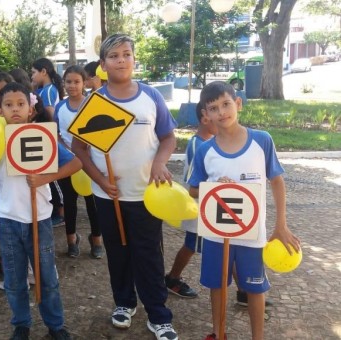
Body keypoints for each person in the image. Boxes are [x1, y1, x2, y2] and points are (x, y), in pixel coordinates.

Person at [71, 34, 179, 340]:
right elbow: (79, 150)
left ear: (134, 59)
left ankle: (158, 315)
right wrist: (101, 180)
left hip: (147, 196)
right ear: (103, 65)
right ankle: (124, 302)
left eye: (127, 54)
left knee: (149, 255)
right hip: (109, 197)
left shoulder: (151, 97)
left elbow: (169, 137)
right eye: (114, 56)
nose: (121, 60)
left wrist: (160, 162)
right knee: (118, 252)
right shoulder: (96, 102)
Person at [188, 81, 301, 340]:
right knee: (217, 286)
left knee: (255, 287)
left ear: (238, 104)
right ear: (206, 114)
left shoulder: (261, 140)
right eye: (213, 108)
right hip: (217, 234)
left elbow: (277, 181)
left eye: (226, 104)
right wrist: (213, 187)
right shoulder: (205, 150)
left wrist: (280, 225)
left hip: (252, 234)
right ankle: (218, 333)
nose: (222, 112)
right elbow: (193, 190)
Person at [0, 81, 80, 340]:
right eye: (8, 105)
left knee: (47, 277)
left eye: (20, 104)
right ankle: (21, 324)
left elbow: (75, 163)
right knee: (15, 280)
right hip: (7, 219)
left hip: (39, 218)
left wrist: (46, 178)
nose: (14, 110)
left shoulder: (43, 136)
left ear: (30, 109)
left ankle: (56, 325)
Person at [164, 102, 216, 298]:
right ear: (204, 118)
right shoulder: (198, 145)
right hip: (199, 206)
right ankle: (172, 278)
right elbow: (194, 181)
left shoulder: (210, 142)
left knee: (199, 245)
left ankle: (244, 290)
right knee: (191, 245)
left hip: (209, 203)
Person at [54, 65, 103, 259]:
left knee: (93, 203)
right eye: (68, 82)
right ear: (63, 84)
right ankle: (71, 240)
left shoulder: (92, 104)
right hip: (68, 161)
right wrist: (67, 150)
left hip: (91, 161)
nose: (72, 86)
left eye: (76, 82)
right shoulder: (60, 107)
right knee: (70, 201)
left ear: (84, 83)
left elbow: (101, 131)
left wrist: (89, 149)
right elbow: (56, 133)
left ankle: (97, 239)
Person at [30, 58, 65, 227]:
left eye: (34, 72)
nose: (32, 76)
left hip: (47, 137)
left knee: (53, 178)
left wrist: (48, 135)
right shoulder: (43, 89)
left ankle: (60, 213)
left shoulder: (49, 90)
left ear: (43, 71)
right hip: (44, 136)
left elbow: (50, 114)